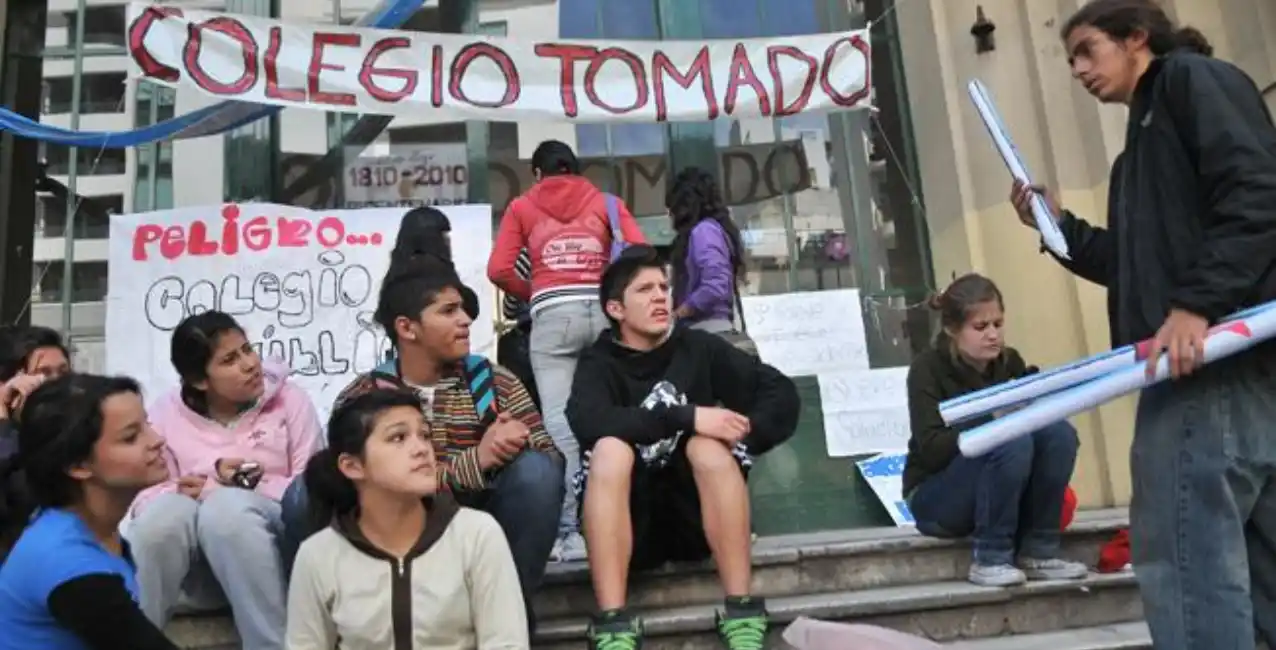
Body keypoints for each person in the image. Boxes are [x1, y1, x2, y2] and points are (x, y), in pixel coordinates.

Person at [1016, 1, 1276, 646]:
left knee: (1186, 557)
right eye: (1070, 57)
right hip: (1219, 362)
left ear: (1137, 39)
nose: (1077, 69)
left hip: (1204, 365)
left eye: (1087, 50)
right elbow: (1134, 266)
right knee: (1253, 563)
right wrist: (1055, 229)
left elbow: (1258, 192)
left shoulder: (1191, 81)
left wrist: (1195, 306)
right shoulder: (1138, 149)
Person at [565, 245, 800, 650]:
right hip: (629, 528)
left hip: (697, 521)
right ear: (616, 309)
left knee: (707, 449)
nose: (660, 296)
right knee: (610, 450)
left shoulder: (698, 348)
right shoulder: (598, 363)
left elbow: (780, 392)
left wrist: (743, 434)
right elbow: (588, 420)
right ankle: (612, 624)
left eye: (663, 287)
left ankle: (742, 611)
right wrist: (686, 417)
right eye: (644, 290)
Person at [329, 254, 562, 633]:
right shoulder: (364, 398)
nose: (466, 320)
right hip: (395, 541)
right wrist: (477, 460)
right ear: (408, 328)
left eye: (464, 311)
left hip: (484, 544)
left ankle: (503, 616)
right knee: (300, 499)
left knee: (538, 471)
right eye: (449, 311)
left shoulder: (495, 382)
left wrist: (516, 442)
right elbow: (354, 485)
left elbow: (549, 460)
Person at [487, 139, 647, 560]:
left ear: (538, 174)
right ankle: (620, 524)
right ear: (576, 171)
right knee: (610, 419)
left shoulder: (522, 207)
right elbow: (640, 253)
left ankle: (570, 535)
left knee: (560, 430)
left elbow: (499, 269)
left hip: (552, 321)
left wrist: (535, 290)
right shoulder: (605, 203)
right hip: (603, 314)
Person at [126, 311, 323, 650]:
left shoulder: (289, 401)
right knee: (163, 516)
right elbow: (145, 495)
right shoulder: (165, 413)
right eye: (230, 359)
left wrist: (232, 488)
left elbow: (312, 491)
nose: (250, 364)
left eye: (248, 349)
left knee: (226, 509)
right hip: (196, 572)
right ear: (200, 380)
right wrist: (197, 488)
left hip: (276, 557)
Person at [286, 389, 527, 649]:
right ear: (352, 466)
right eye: (398, 437)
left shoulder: (476, 534)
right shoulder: (318, 556)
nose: (421, 449)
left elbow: (507, 643)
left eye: (424, 435)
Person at [903, 274, 1086, 587]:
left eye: (998, 324)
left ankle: (1039, 551)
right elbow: (932, 449)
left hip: (998, 490)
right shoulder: (927, 370)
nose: (992, 335)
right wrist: (992, 419)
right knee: (1009, 439)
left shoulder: (1009, 362)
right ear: (952, 330)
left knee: (1059, 434)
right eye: (980, 327)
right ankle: (991, 557)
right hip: (935, 496)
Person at [0, 374, 178, 650]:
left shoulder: (86, 530)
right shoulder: (67, 564)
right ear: (78, 465)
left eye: (148, 424)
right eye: (131, 437)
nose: (157, 440)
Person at [667, 167, 748, 335]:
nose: (670, 213)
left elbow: (716, 283)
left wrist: (683, 309)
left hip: (707, 329)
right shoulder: (712, 230)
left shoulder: (703, 231)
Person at [391, 205, 481, 320]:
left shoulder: (397, 274)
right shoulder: (434, 274)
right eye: (444, 236)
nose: (448, 242)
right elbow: (470, 308)